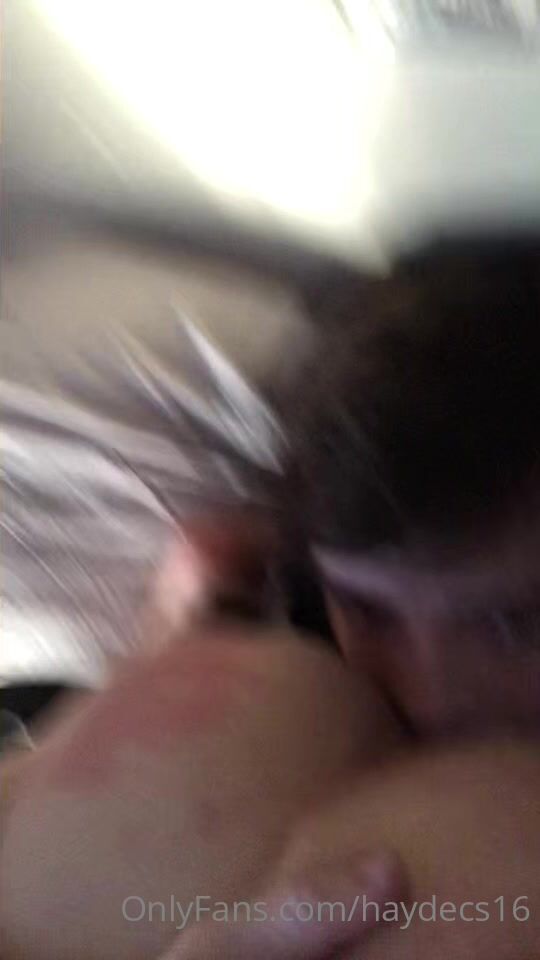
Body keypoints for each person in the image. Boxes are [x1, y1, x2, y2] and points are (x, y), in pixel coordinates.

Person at [2, 241, 540, 959]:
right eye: (372, 615)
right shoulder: (279, 589)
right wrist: (180, 637)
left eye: (511, 624)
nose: (427, 697)